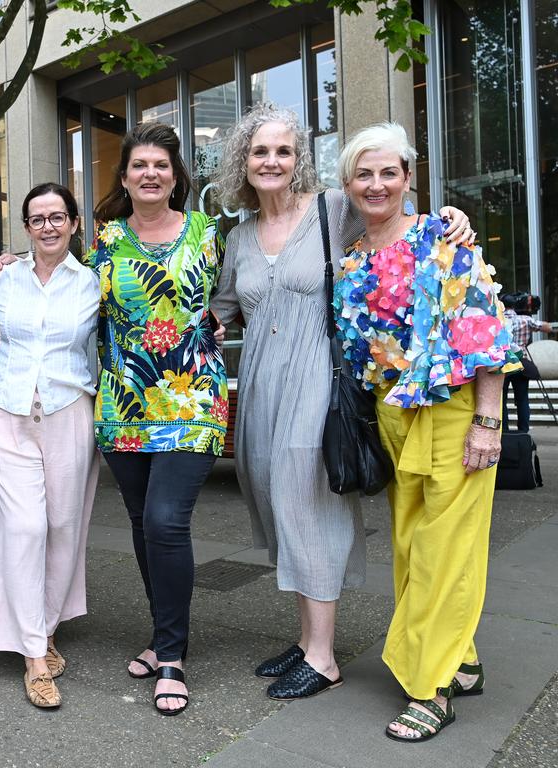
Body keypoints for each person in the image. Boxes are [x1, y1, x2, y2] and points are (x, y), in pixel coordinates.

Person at [209, 104, 473, 701]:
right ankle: (306, 640)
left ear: (298, 157)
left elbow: (394, 218)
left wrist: (447, 219)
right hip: (258, 388)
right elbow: (223, 310)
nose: (271, 161)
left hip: (319, 383)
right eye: (259, 152)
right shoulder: (240, 236)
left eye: (282, 150)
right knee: (279, 507)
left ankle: (324, 656)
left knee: (309, 507)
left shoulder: (332, 209)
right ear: (243, 164)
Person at [334, 122, 519, 742]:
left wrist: (488, 424)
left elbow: (486, 335)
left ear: (408, 179)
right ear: (349, 186)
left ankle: (429, 687)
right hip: (392, 415)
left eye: (389, 172)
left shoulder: (442, 239)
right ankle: (460, 659)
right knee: (413, 546)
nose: (377, 183)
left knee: (446, 550)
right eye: (364, 173)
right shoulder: (353, 258)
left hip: (453, 410)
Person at [88, 122, 226, 716]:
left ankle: (171, 656)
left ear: (176, 176)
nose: (150, 173)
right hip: (124, 403)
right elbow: (71, 298)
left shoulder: (210, 231)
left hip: (192, 398)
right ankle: (163, 633)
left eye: (161, 165)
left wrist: (221, 316)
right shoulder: (105, 239)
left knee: (168, 522)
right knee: (145, 523)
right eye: (139, 165)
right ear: (124, 178)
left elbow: (246, 285)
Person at [0, 183, 100, 709]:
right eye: (36, 219)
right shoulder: (2, 280)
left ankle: (45, 626)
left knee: (64, 525)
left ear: (73, 223)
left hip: (69, 412)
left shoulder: (95, 283)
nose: (47, 226)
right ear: (25, 228)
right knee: (24, 526)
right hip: (6, 412)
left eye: (57, 217)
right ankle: (32, 654)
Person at [499, 292, 556, 432]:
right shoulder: (524, 319)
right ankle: (523, 431)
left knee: (502, 400)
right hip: (521, 362)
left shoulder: (497, 319)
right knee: (522, 399)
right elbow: (547, 327)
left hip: (503, 364)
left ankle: (504, 432)